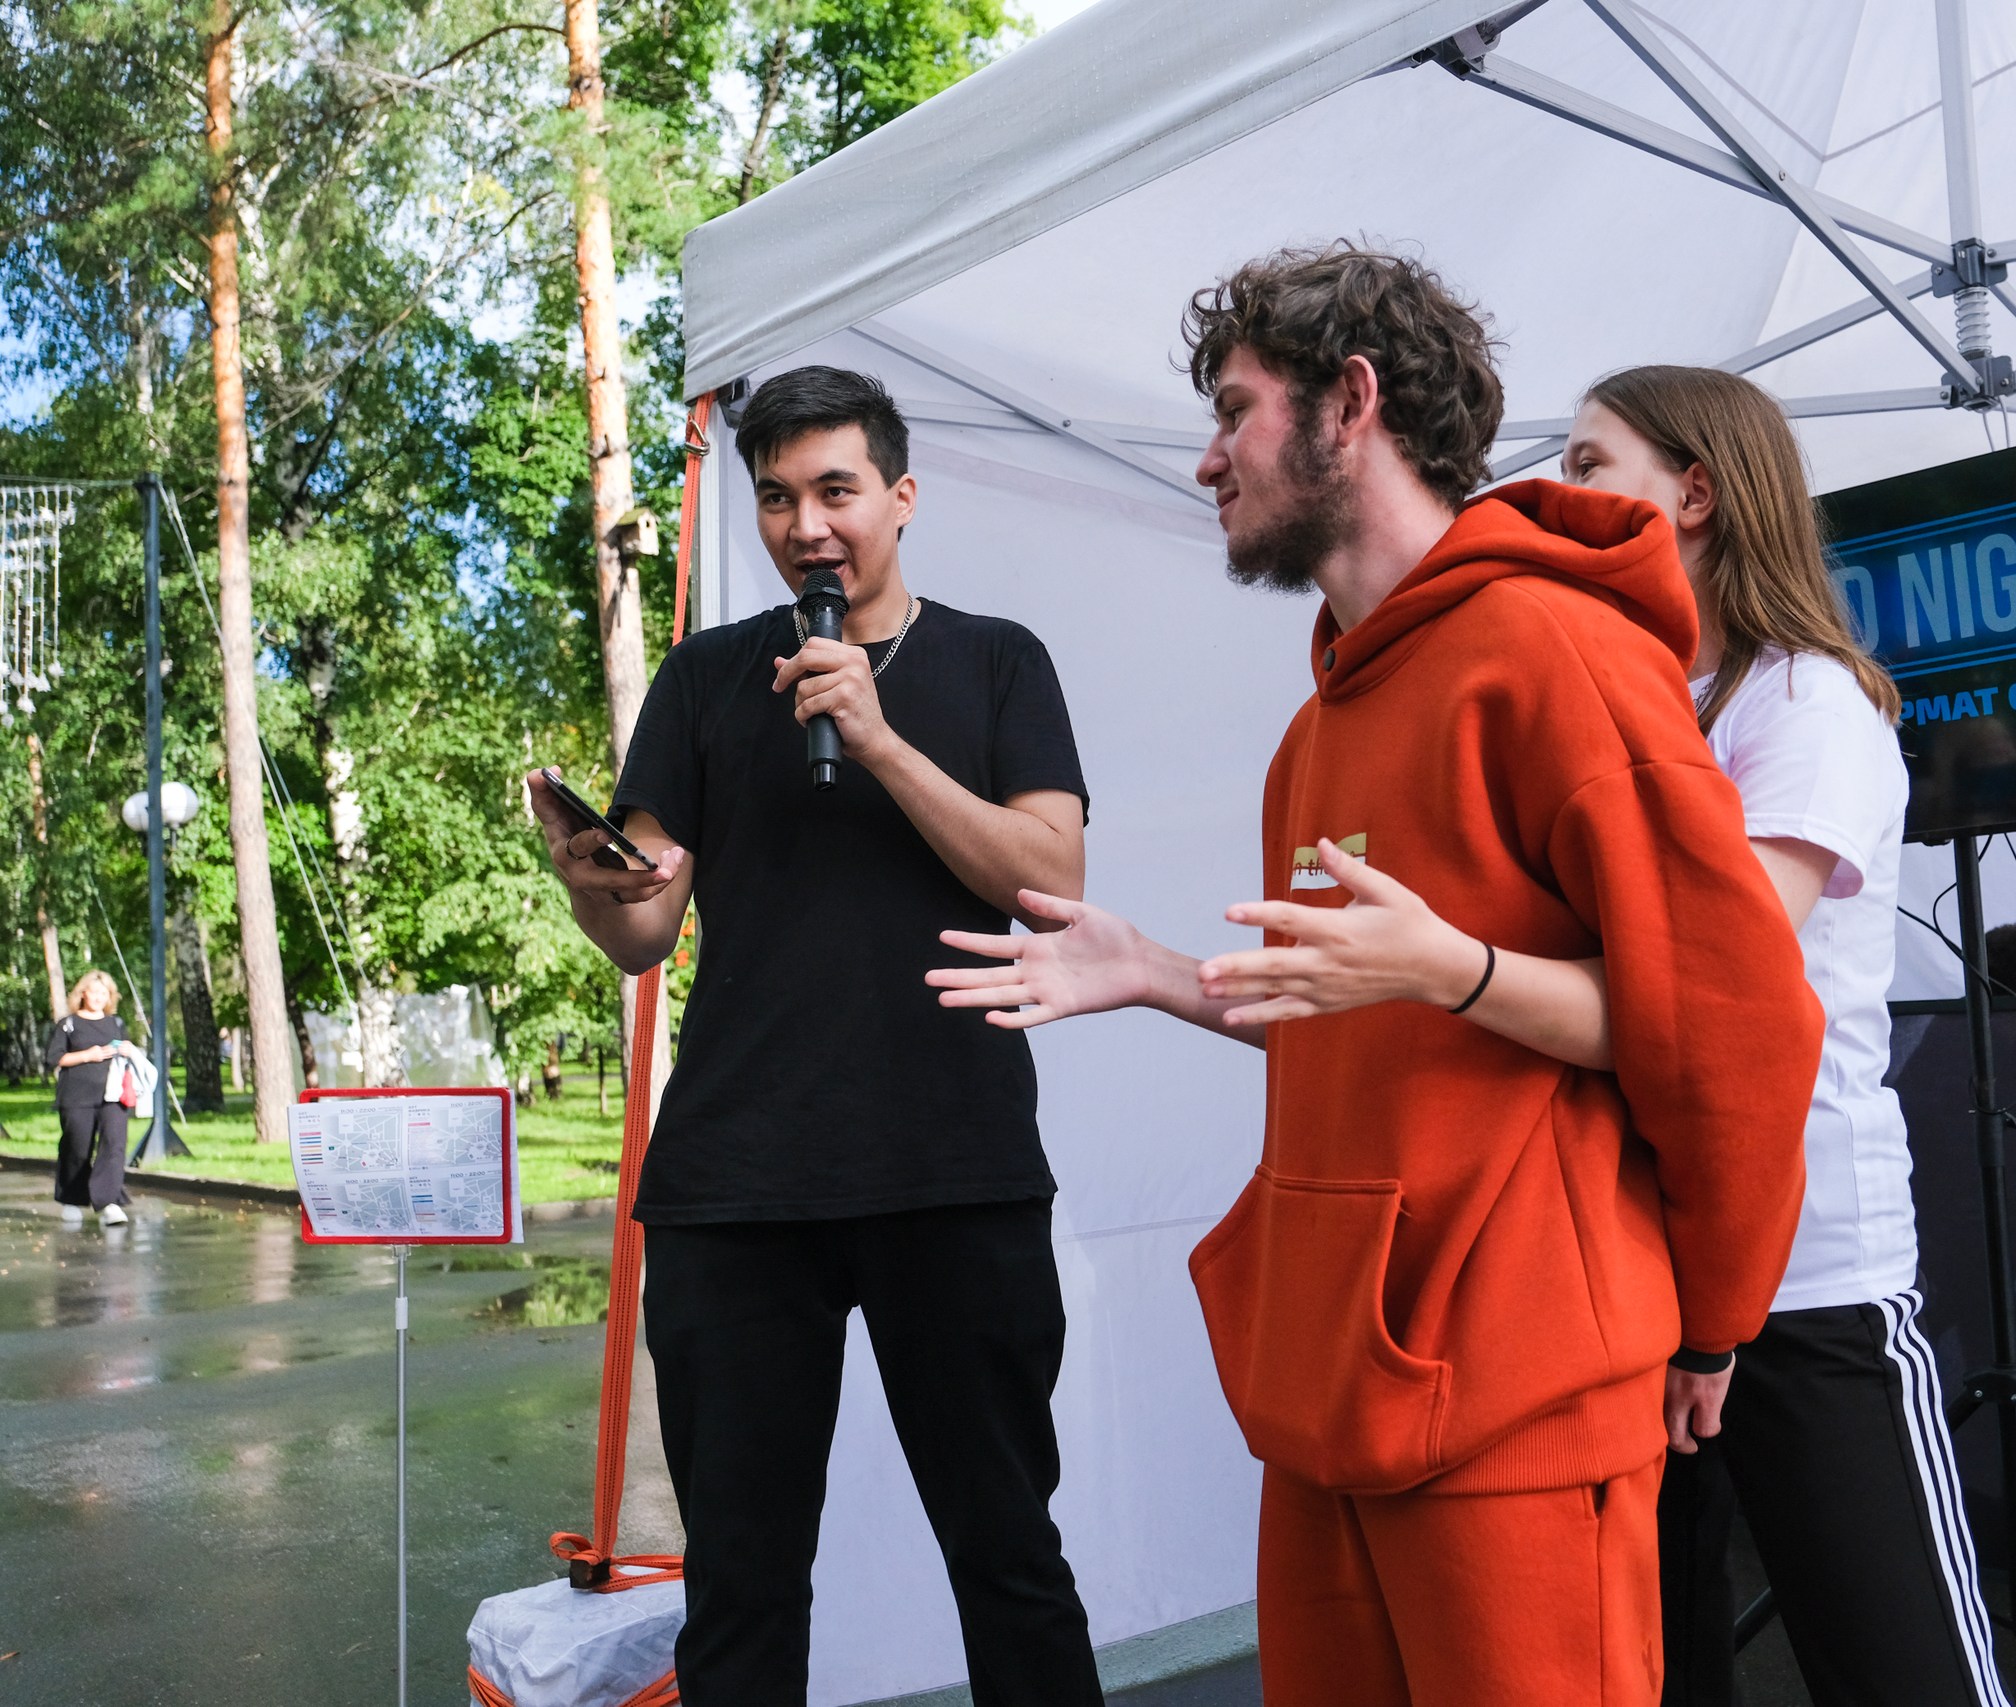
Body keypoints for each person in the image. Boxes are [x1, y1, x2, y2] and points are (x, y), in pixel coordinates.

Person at [926, 246, 1823, 1706]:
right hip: (1336, 1384)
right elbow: (1354, 1018)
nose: (1208, 458)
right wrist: (1155, 971)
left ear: (1351, 403)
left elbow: (1735, 1025)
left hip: (1523, 1393)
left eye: (1235, 409)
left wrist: (1713, 1320)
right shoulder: (1318, 723)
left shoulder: (1559, 651)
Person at [528, 366, 1104, 1707]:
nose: (807, 526)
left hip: (954, 1171)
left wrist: (879, 738)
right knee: (740, 1585)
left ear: (901, 496)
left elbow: (1051, 879)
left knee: (1009, 1559)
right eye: (777, 497)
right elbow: (645, 929)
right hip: (737, 1191)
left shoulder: (999, 659)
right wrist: (594, 883)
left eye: (836, 490)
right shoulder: (705, 678)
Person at [1562, 367, 2011, 1707]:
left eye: (1589, 464)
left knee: (1899, 1668)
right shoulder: (1650, 704)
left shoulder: (1807, 701)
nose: (1558, 494)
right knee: (1660, 1662)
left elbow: (1716, 973)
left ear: (1695, 493)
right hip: (1653, 1269)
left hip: (1811, 1274)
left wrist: (1465, 972)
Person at [48, 971, 132, 1228]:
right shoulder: (68, 1024)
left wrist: (129, 1050)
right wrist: (87, 1055)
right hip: (76, 1095)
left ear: (110, 997)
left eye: (104, 993)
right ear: (83, 994)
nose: (98, 997)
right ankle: (72, 1200)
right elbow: (54, 1058)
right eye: (94, 992)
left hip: (113, 1096)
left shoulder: (116, 1023)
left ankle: (109, 1202)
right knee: (77, 1147)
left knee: (114, 1145)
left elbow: (127, 1054)